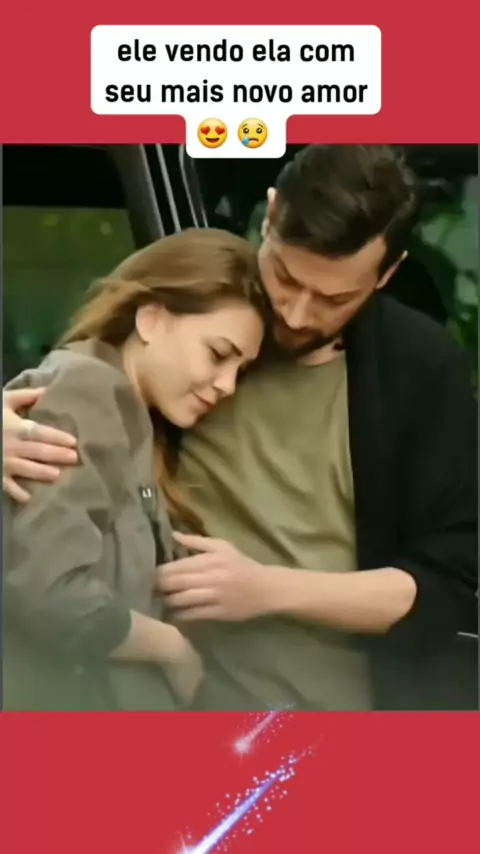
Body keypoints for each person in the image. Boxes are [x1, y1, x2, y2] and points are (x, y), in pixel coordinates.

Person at [4, 145, 477, 711]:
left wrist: (266, 588)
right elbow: (88, 388)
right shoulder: (195, 326)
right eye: (285, 277)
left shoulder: (418, 369)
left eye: (334, 299)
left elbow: (447, 581)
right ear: (270, 215)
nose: (297, 314)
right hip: (175, 708)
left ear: (387, 275)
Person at [2, 228, 264, 711]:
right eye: (218, 354)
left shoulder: (130, 414)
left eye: (240, 370)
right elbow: (49, 590)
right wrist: (170, 648)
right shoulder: (88, 391)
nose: (227, 385)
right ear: (151, 319)